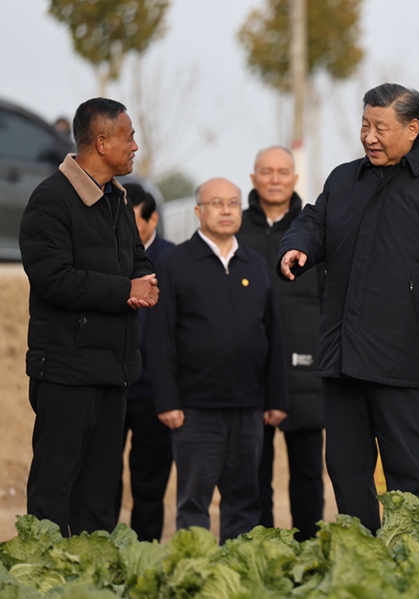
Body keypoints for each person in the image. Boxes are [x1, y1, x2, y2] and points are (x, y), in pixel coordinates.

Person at [278, 83, 419, 533]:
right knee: (347, 472)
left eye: (381, 127)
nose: (369, 136)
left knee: (409, 477)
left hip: (405, 361)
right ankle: (361, 558)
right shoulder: (344, 179)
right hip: (344, 357)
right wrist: (297, 247)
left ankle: (415, 564)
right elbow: (314, 221)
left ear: (412, 129)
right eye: (365, 125)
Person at [19, 97, 158, 537]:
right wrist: (125, 292)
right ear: (101, 142)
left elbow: (136, 259)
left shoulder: (117, 200)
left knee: (100, 495)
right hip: (65, 369)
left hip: (111, 370)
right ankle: (43, 580)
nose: (135, 145)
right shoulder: (50, 200)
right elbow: (53, 279)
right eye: (129, 136)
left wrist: (145, 280)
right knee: (54, 491)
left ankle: (92, 580)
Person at [149, 177, 289, 542]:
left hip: (248, 408)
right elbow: (159, 337)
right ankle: (195, 577)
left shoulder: (256, 265)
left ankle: (238, 578)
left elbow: (273, 334)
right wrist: (167, 400)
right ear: (198, 211)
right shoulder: (175, 264)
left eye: (232, 203)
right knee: (194, 503)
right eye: (216, 203)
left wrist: (276, 397)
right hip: (195, 411)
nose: (225, 210)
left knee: (245, 500)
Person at [237, 146, 324, 541]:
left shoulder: (315, 230)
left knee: (308, 473)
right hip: (249, 371)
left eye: (283, 172)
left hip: (305, 372)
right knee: (254, 472)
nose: (275, 179)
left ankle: (307, 551)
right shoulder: (235, 230)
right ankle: (264, 550)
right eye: (266, 171)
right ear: (253, 178)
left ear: (295, 179)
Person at [114, 183, 175, 541]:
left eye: (134, 221)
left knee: (149, 481)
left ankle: (146, 549)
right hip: (114, 383)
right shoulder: (108, 255)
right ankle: (104, 549)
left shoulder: (173, 259)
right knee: (103, 475)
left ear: (153, 220)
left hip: (155, 391)